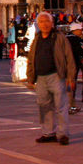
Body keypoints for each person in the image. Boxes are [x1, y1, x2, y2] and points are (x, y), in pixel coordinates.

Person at [25, 13, 75, 145]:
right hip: (41, 78)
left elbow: (69, 57)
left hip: (56, 76)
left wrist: (70, 76)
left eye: (47, 21)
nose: (44, 24)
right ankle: (48, 133)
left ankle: (63, 134)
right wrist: (30, 78)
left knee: (61, 106)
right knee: (44, 107)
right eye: (41, 21)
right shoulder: (37, 38)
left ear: (52, 23)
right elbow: (31, 58)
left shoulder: (59, 37)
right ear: (38, 24)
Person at [66, 22, 83, 113]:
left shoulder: (66, 38)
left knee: (71, 84)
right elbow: (80, 51)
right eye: (80, 30)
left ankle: (72, 106)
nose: (81, 31)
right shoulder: (74, 39)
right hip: (72, 64)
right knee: (71, 84)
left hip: (68, 64)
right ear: (75, 31)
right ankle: (70, 106)